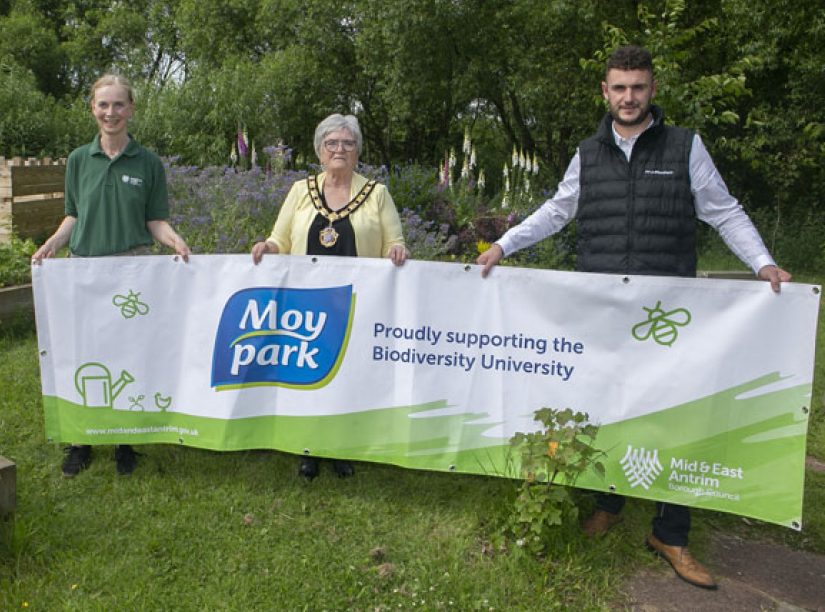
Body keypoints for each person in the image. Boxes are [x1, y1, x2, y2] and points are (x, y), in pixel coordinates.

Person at [476, 45, 790, 590]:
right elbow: (558, 209)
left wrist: (763, 263)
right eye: (619, 87)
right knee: (603, 405)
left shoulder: (686, 147)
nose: (629, 97)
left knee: (673, 413)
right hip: (601, 310)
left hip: (668, 312)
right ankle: (609, 502)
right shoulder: (587, 152)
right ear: (605, 91)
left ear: (652, 89)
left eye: (638, 87)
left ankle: (670, 531)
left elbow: (724, 210)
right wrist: (504, 244)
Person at [32, 74, 190, 479]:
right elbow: (74, 215)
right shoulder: (78, 160)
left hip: (132, 273)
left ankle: (124, 442)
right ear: (93, 109)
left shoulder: (148, 163)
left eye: (119, 105)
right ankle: (80, 441)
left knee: (128, 355)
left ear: (131, 109)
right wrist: (53, 243)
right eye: (104, 105)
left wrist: (174, 241)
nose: (111, 112)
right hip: (84, 272)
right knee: (82, 355)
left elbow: (155, 220)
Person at [251, 113, 409, 481]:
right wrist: (267, 248)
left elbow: (395, 241)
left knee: (349, 374)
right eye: (332, 144)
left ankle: (342, 447)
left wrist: (397, 252)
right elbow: (281, 240)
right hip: (307, 304)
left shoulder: (377, 194)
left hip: (357, 302)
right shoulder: (299, 191)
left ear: (357, 153)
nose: (340, 149)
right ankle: (307, 448)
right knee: (308, 374)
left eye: (348, 144)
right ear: (320, 152)